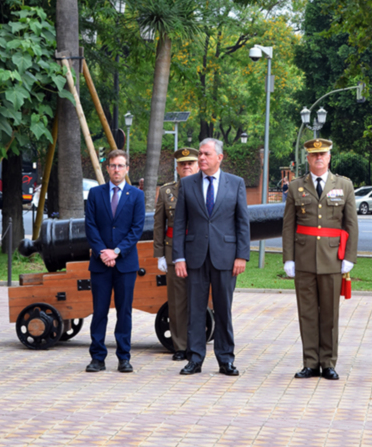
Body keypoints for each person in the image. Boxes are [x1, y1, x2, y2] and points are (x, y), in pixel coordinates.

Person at [172, 138, 250, 376]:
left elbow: (242, 222)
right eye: (200, 155)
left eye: (206, 154)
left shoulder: (235, 184)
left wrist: (241, 256)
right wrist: (179, 257)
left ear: (220, 157)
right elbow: (179, 224)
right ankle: (194, 358)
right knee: (195, 309)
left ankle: (225, 359)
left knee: (223, 309)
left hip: (226, 257)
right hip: (195, 257)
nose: (201, 158)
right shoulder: (187, 184)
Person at [282, 138, 358, 380]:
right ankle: (310, 362)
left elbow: (351, 224)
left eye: (322, 154)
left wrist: (349, 257)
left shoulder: (344, 185)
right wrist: (288, 258)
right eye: (314, 155)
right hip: (304, 258)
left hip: (333, 258)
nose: (318, 158)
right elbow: (288, 226)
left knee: (329, 313)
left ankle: (328, 362)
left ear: (329, 157)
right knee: (307, 312)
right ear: (307, 158)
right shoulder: (296, 187)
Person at [84, 149, 146, 373]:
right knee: (99, 311)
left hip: (126, 263)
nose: (116, 170)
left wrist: (116, 252)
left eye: (121, 166)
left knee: (124, 311)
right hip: (100, 264)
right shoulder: (95, 193)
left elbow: (136, 229)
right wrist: (103, 251)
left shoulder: (136, 195)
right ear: (107, 168)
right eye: (113, 166)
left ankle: (124, 357)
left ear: (127, 168)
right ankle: (97, 357)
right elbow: (90, 226)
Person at [153, 147, 199, 361]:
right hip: (174, 251)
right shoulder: (167, 191)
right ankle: (180, 346)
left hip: (200, 251)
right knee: (177, 301)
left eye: (190, 163)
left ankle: (197, 345)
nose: (186, 166)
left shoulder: (206, 187)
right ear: (177, 168)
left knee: (198, 300)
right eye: (182, 164)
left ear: (198, 165)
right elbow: (159, 225)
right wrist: (160, 254)